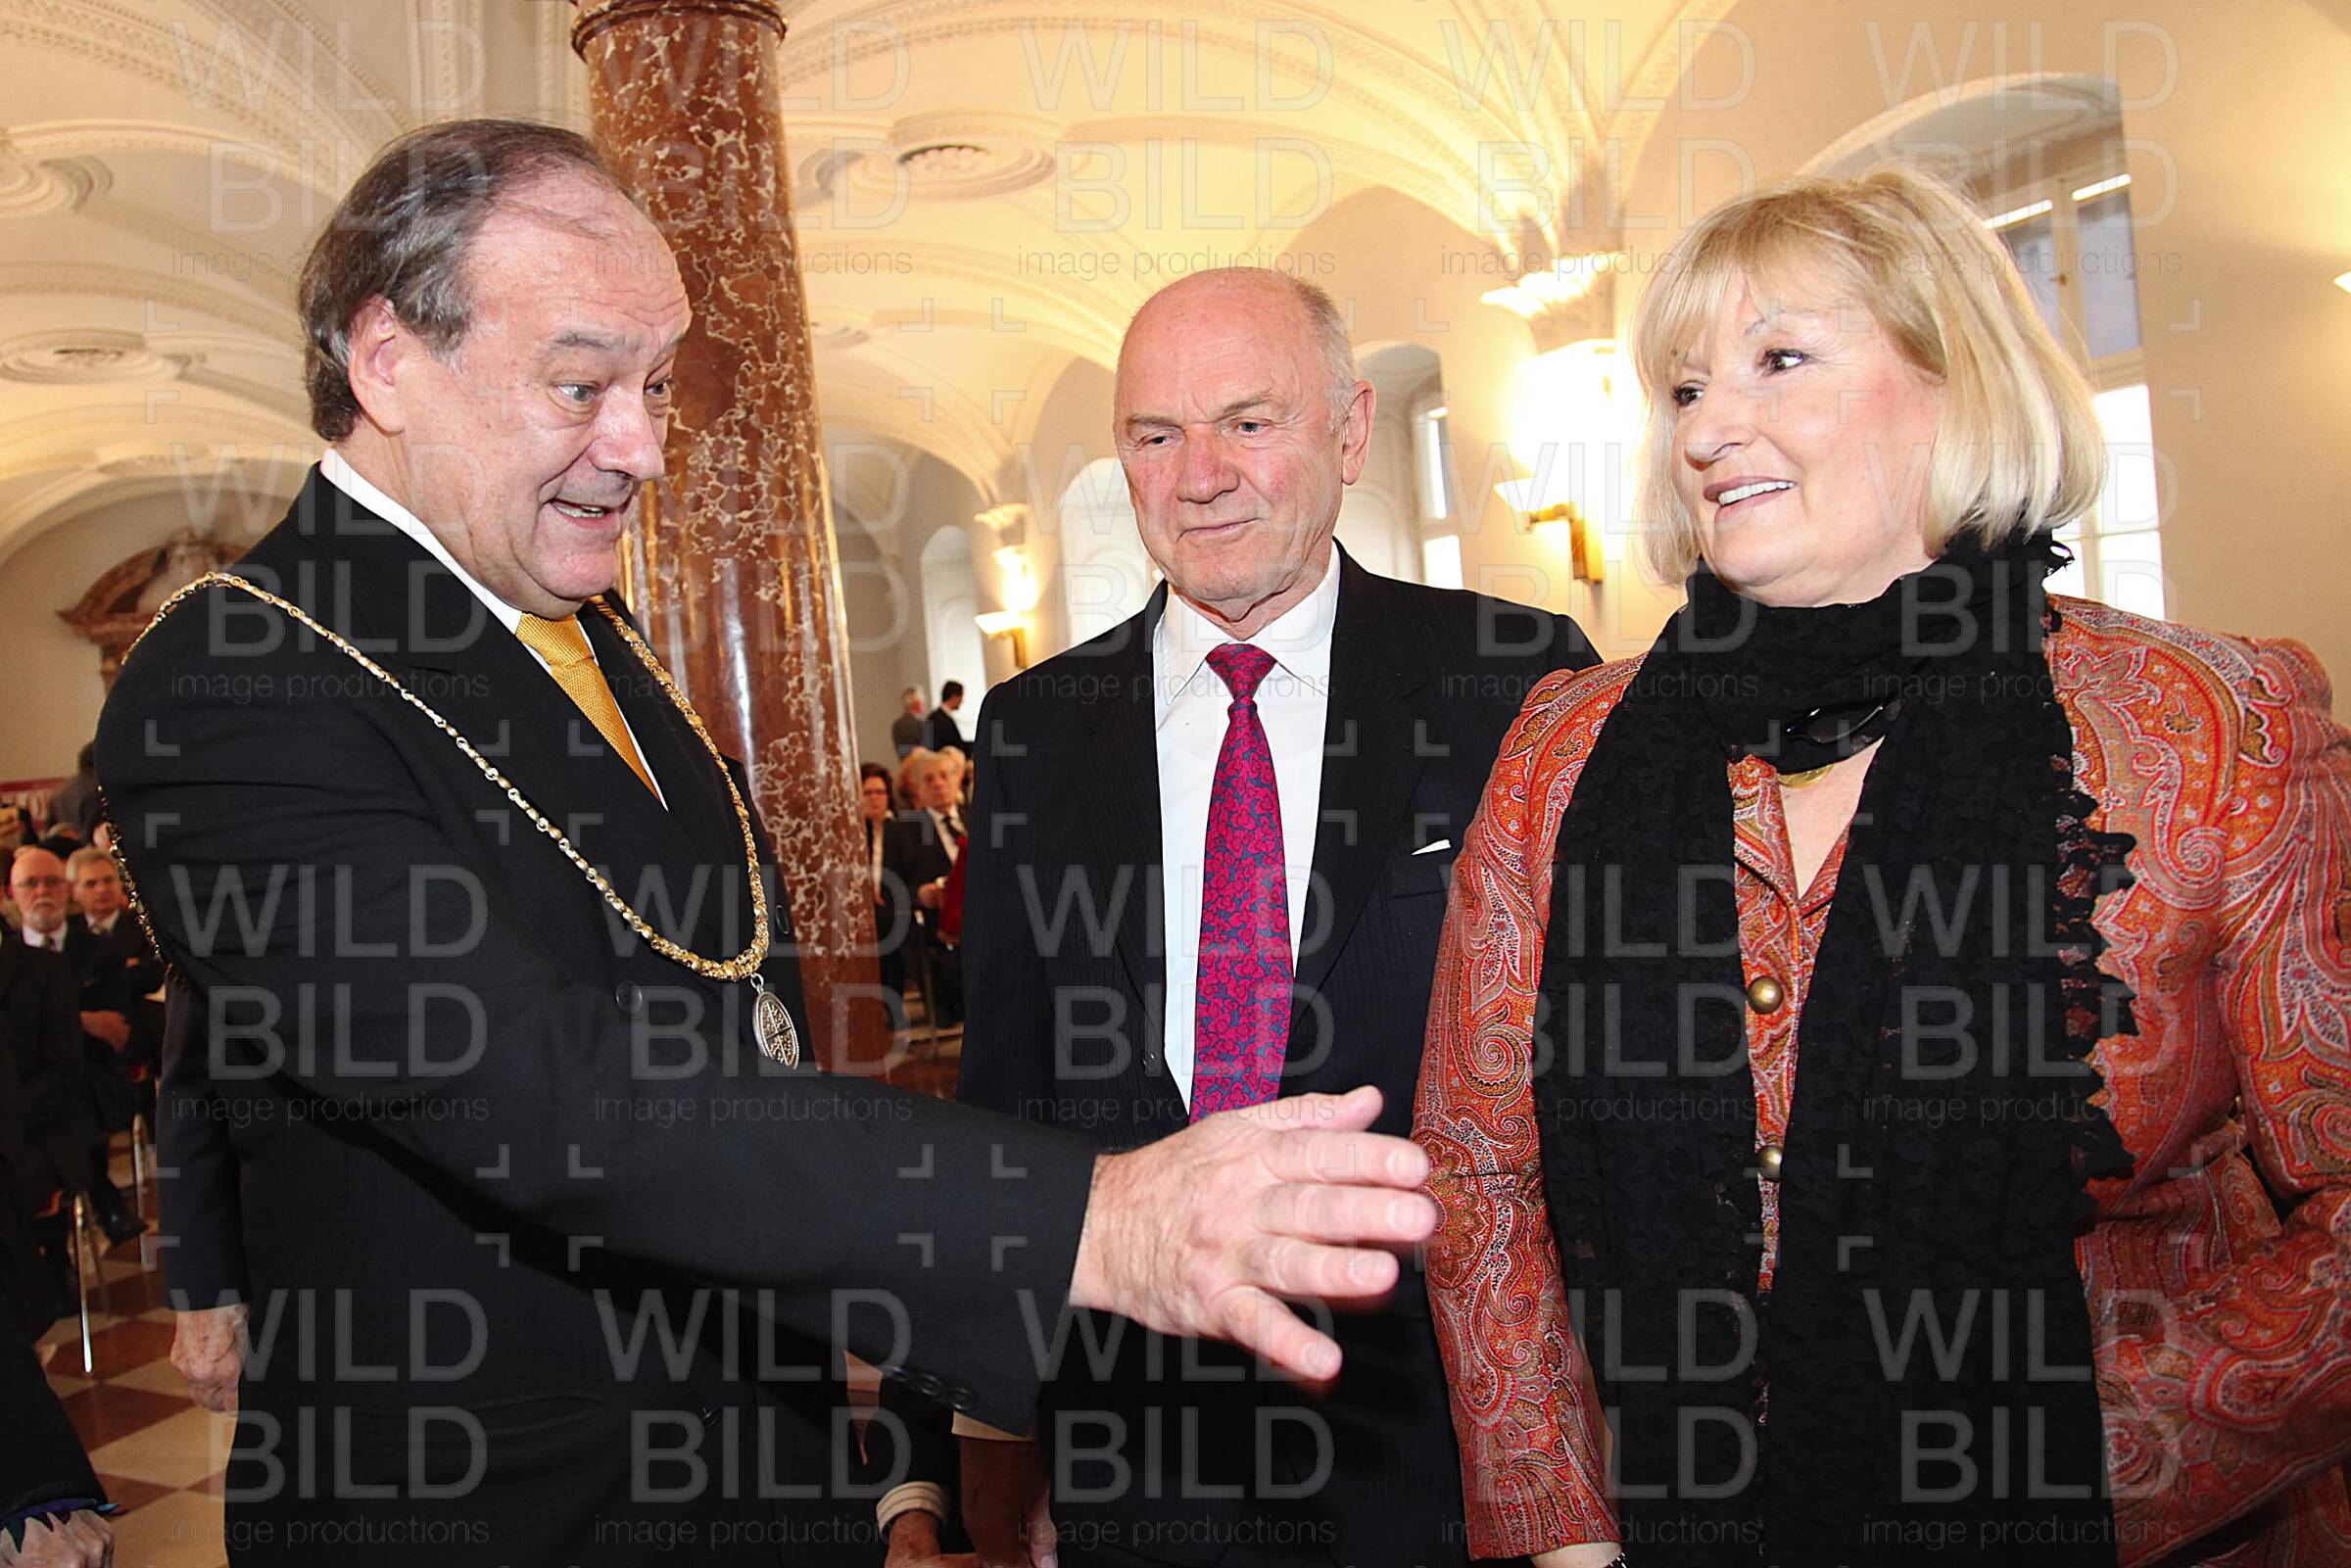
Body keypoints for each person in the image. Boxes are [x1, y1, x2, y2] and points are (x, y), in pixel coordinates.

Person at [93, 119, 1438, 1567]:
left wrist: (887, 1466)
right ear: (386, 361)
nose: (643, 449)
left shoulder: (587, 632)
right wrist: (1092, 1219)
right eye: (582, 384)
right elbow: (545, 1089)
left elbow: (746, 1040)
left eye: (656, 386)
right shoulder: (235, 682)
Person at [1415, 166, 2351, 1568]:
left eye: (1780, 360)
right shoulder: (1565, 748)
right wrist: (1567, 1536)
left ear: (1955, 380)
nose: (1707, 430)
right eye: (1685, 388)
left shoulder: (2213, 726)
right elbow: (1478, 1172)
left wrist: (2051, 1469)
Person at [939, 267, 1595, 1568]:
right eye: (1155, 435)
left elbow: (1595, 1092)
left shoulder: (1518, 683)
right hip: (1144, 1454)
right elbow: (1003, 1103)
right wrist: (992, 1439)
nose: (1200, 477)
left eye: (1249, 422)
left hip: (1447, 1446)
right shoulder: (1032, 732)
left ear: (1351, 430)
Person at [7, 850, 140, 1247]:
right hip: (29, 1087)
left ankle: (56, 1253)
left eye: (51, 881)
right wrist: (79, 1020)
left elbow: (116, 1029)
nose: (42, 892)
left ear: (67, 889)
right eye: (30, 884)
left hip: (91, 1077)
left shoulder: (100, 950)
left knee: (71, 1092)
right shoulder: (9, 961)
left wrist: (57, 1026)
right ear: (11, 894)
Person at [888, 749, 967, 1027]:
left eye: (944, 776)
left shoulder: (978, 818)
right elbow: (891, 889)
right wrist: (920, 894)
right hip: (936, 928)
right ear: (918, 788)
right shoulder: (903, 830)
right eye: (929, 779)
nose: (938, 784)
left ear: (957, 780)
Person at [859, 762, 912, 1001]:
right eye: (868, 792)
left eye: (879, 792)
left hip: (898, 904)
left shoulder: (902, 830)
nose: (874, 798)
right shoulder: (853, 833)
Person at [924, 682, 969, 756]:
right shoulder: (936, 719)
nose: (962, 701)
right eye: (961, 696)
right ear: (954, 697)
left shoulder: (942, 716)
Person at [892, 688, 928, 759]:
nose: (924, 704)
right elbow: (928, 750)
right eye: (922, 701)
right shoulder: (922, 724)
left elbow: (901, 751)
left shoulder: (897, 724)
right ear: (916, 703)